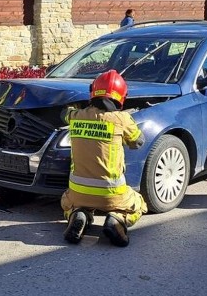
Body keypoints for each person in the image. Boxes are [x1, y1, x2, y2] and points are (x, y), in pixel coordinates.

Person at [60, 70, 146, 247]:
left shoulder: (76, 117)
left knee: (67, 203)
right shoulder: (122, 119)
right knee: (138, 203)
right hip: (112, 194)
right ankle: (117, 219)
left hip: (78, 193)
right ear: (121, 96)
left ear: (93, 92)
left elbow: (64, 113)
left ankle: (78, 214)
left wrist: (77, 108)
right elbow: (138, 142)